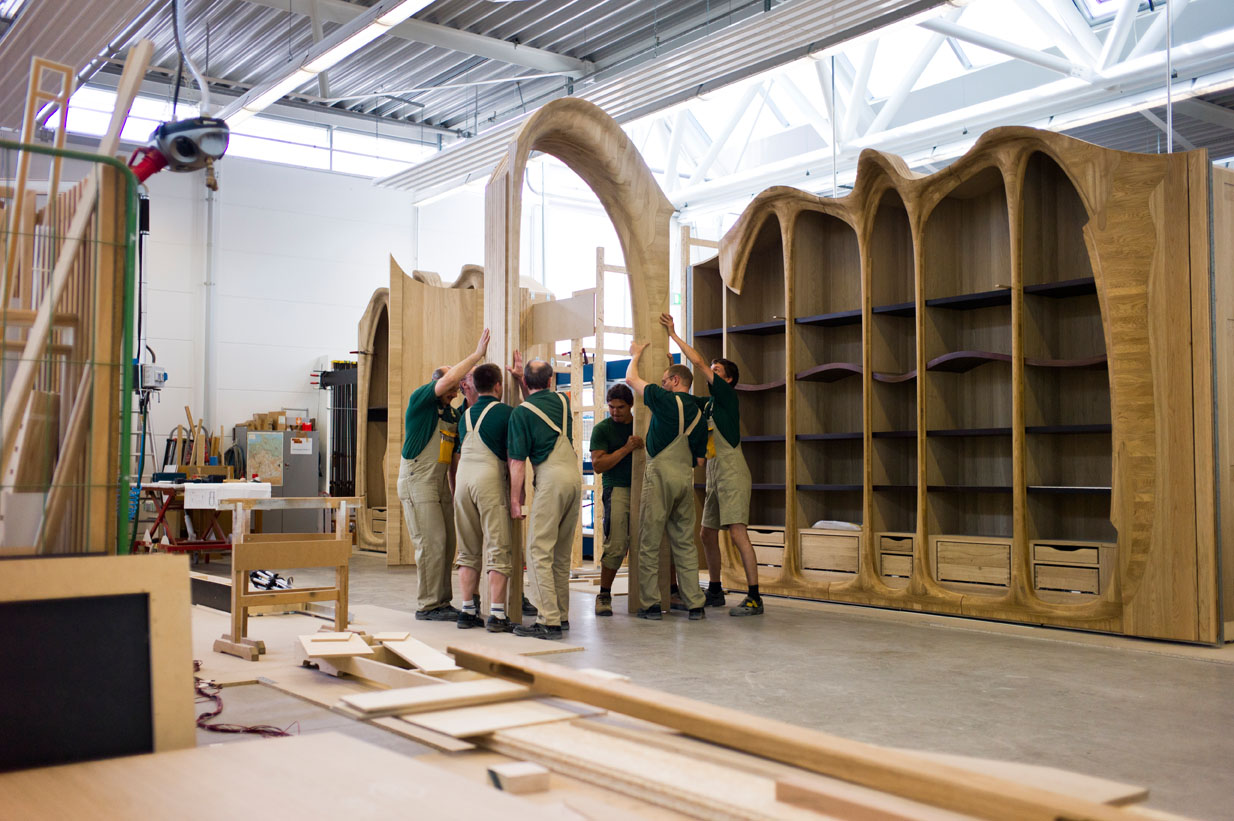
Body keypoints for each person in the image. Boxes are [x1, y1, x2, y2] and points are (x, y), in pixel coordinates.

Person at [661, 313, 763, 616]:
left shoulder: (727, 397)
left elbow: (700, 364)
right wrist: (671, 367)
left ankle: (755, 597)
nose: (710, 373)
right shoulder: (709, 405)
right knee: (706, 533)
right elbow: (682, 395)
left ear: (726, 379)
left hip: (732, 472)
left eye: (716, 371)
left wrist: (675, 335)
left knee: (736, 532)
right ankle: (715, 589)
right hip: (716, 474)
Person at [397, 328, 490, 620]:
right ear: (436, 385)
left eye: (458, 389)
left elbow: (453, 456)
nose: (455, 392)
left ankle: (441, 602)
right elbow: (449, 379)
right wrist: (476, 355)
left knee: (448, 543)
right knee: (432, 543)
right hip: (417, 481)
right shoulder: (421, 401)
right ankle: (428, 605)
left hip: (439, 484)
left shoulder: (450, 413)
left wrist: (454, 489)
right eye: (452, 388)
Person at [625, 341, 708, 620]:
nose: (661, 384)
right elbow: (700, 459)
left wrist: (635, 355)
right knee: (685, 542)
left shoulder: (664, 400)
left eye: (664, 380)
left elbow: (631, 379)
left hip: (660, 474)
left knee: (648, 540)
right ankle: (695, 603)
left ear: (674, 381)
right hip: (685, 476)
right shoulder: (698, 410)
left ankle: (650, 604)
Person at [506, 356, 581, 640]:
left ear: (525, 382)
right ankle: (560, 616)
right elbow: (538, 407)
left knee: (538, 552)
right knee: (560, 556)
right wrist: (522, 378)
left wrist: (516, 500)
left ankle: (547, 621)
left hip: (549, 481)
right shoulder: (562, 401)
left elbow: (516, 463)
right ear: (550, 381)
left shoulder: (520, 414)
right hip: (573, 479)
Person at [452, 363, 516, 632]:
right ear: (499, 386)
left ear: (475, 387)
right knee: (498, 545)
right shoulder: (506, 413)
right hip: (489, 479)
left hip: (463, 481)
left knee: (467, 548)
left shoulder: (463, 416)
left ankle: (467, 610)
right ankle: (498, 614)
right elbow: (514, 457)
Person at [589, 383, 643, 616]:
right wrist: (626, 449)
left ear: (630, 405)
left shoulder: (642, 424)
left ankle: (653, 593)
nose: (615, 412)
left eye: (620, 407)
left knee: (647, 544)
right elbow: (598, 465)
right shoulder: (602, 429)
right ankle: (604, 594)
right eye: (611, 407)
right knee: (616, 544)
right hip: (617, 489)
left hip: (643, 488)